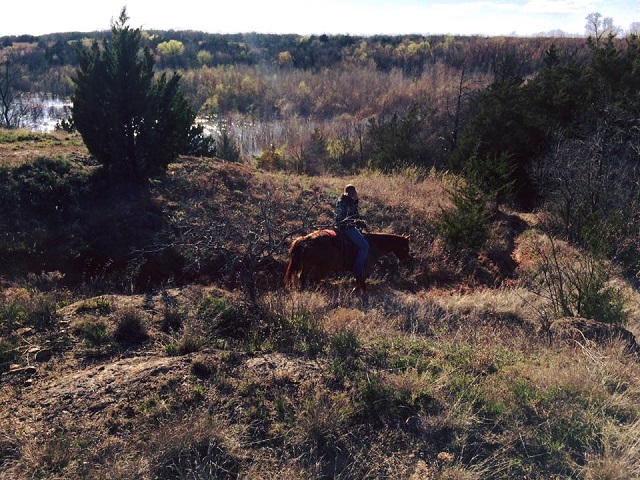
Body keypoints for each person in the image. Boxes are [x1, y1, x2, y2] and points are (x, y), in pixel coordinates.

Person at [335, 184, 369, 283]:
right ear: (353, 193)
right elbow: (354, 217)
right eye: (355, 192)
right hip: (347, 228)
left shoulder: (341, 199)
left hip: (339, 226)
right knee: (365, 246)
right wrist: (363, 225)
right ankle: (357, 272)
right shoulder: (350, 203)